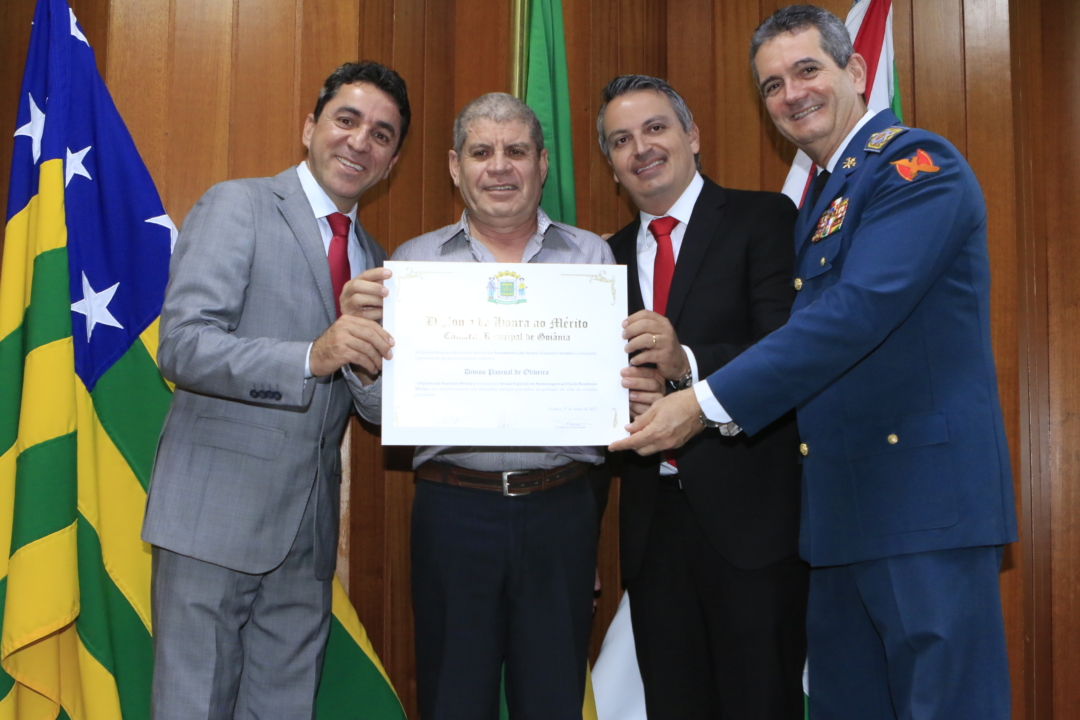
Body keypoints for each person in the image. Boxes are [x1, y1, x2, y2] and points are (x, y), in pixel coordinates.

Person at [611, 6, 1018, 719]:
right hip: (837, 516)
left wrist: (700, 401)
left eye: (807, 70)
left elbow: (854, 314)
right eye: (772, 85)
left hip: (921, 507)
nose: (791, 94)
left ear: (855, 71)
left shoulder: (915, 168)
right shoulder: (824, 201)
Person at [142, 61, 409, 720]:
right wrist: (312, 356)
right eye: (347, 120)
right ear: (310, 127)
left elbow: (375, 408)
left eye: (381, 135)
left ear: (391, 163)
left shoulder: (377, 261)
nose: (360, 141)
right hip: (213, 521)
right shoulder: (239, 204)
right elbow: (183, 346)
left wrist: (366, 369)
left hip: (307, 538)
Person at [392, 92, 615, 720]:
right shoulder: (413, 264)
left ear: (542, 164)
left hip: (561, 509)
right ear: (454, 166)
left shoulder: (591, 259)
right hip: (452, 509)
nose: (499, 167)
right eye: (481, 152)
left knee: (553, 699)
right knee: (453, 700)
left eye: (516, 151)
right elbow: (384, 408)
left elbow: (607, 396)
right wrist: (361, 359)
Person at [597, 75, 807, 719]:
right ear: (611, 164)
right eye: (621, 140)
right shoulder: (599, 261)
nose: (641, 149)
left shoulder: (763, 218)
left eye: (655, 128)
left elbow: (787, 347)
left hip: (751, 524)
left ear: (692, 135)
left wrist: (685, 362)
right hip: (651, 529)